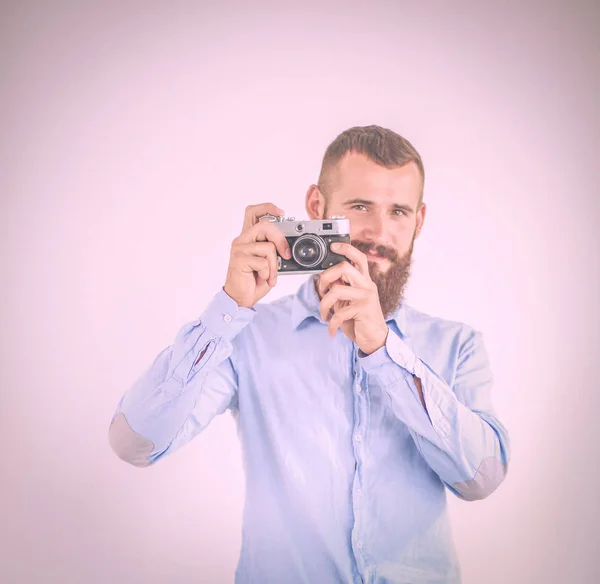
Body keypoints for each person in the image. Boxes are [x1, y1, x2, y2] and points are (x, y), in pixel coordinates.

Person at [109, 125, 511, 584]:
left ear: (418, 221)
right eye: (360, 207)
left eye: (398, 211)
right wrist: (229, 306)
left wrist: (383, 350)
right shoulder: (247, 337)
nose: (379, 233)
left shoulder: (457, 345)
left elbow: (481, 479)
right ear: (317, 208)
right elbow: (134, 442)